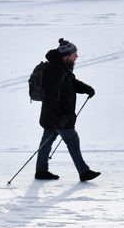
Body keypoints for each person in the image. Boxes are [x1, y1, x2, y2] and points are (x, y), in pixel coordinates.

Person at [35, 38, 101, 182]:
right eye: (74, 54)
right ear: (66, 56)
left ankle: (41, 171)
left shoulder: (61, 68)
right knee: (72, 141)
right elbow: (50, 97)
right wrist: (61, 118)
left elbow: (70, 83)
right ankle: (84, 172)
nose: (76, 56)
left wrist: (86, 88)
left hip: (52, 117)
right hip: (60, 117)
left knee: (46, 142)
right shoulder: (56, 71)